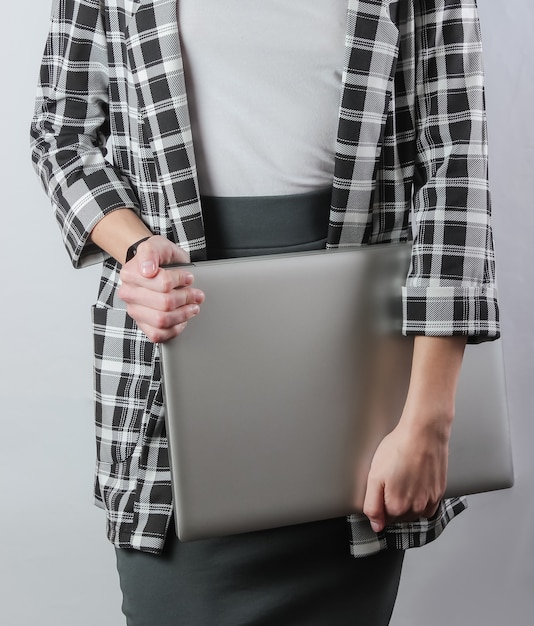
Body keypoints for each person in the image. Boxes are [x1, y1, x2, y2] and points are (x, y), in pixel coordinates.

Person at [31, 1, 499, 624]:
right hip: (173, 381)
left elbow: (455, 167)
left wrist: (429, 421)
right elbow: (61, 135)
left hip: (357, 391)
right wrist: (138, 252)